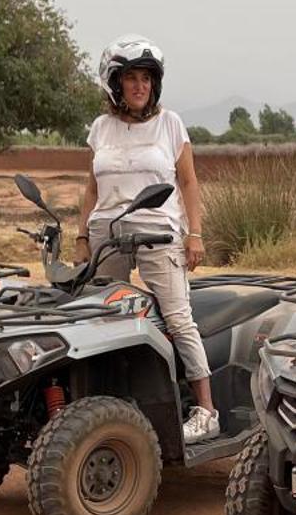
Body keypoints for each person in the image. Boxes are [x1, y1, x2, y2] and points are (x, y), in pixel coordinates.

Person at [76, 35, 219, 443]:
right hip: (108, 231)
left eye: (146, 79)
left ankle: (206, 408)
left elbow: (189, 183)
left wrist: (195, 234)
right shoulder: (101, 128)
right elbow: (90, 189)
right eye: (131, 78)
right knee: (102, 316)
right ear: (114, 84)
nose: (140, 86)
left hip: (159, 232)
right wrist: (82, 234)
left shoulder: (170, 124)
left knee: (177, 316)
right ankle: (108, 403)